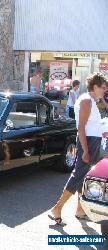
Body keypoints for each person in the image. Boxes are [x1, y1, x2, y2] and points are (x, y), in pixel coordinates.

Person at [48, 73, 107, 225]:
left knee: (83, 176)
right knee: (78, 175)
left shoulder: (91, 101)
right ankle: (57, 209)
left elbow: (90, 126)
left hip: (91, 141)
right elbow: (81, 128)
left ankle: (80, 210)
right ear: (95, 86)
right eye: (103, 87)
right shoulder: (87, 100)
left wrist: (102, 132)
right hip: (88, 143)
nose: (105, 90)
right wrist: (86, 151)